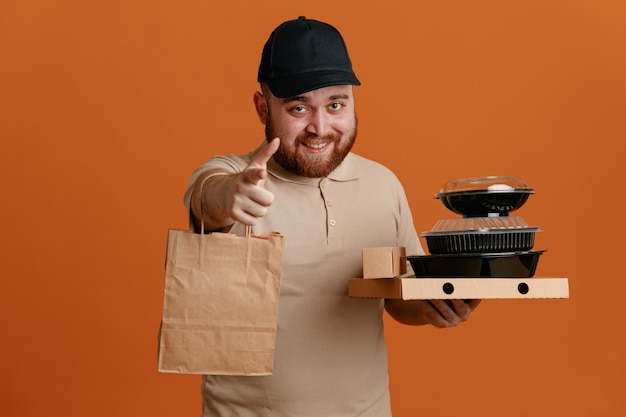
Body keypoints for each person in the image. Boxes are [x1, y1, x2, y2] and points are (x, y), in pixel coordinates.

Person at [184, 16, 481, 417]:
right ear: (262, 107)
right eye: (299, 107)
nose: (320, 127)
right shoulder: (235, 176)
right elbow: (205, 198)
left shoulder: (383, 185)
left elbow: (399, 297)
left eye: (336, 104)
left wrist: (436, 307)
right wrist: (230, 194)